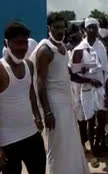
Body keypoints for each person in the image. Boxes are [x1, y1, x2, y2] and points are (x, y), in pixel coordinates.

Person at [30, 13, 90, 174]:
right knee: (57, 146)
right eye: (56, 27)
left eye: (62, 27)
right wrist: (47, 111)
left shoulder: (62, 47)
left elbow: (63, 71)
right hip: (54, 105)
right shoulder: (45, 50)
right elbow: (40, 83)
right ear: (49, 28)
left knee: (70, 142)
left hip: (67, 101)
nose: (60, 30)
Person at [0, 22, 46, 174]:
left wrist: (37, 116)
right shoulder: (1, 70)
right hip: (8, 141)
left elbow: (30, 92)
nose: (23, 48)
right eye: (18, 43)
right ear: (6, 43)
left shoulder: (28, 65)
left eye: (25, 43)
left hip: (31, 134)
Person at [70, 18, 108, 167]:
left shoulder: (101, 47)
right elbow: (74, 73)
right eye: (90, 28)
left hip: (100, 89)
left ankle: (99, 144)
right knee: (89, 121)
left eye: (95, 27)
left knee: (101, 119)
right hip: (86, 90)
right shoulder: (79, 48)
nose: (92, 30)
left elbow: (105, 70)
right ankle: (92, 150)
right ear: (85, 30)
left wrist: (102, 85)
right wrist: (89, 80)